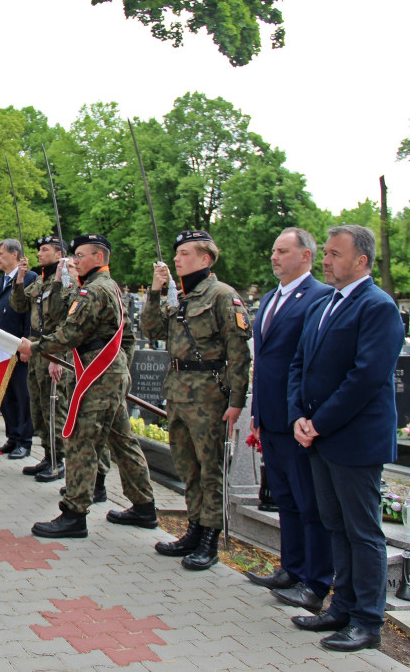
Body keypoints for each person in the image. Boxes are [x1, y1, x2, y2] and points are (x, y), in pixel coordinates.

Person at [286, 225, 403, 652]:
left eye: (336, 254)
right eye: (327, 253)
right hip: (318, 436)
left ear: (362, 262)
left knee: (362, 531)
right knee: (335, 524)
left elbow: (366, 377)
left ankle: (368, 622)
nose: (327, 261)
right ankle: (341, 606)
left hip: (353, 439)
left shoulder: (378, 307)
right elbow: (300, 363)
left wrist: (319, 423)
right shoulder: (324, 304)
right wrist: (299, 415)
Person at [18, 234, 156, 537]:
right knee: (122, 439)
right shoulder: (110, 287)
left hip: (98, 375)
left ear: (99, 258)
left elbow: (68, 334)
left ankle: (74, 514)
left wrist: (36, 347)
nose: (74, 261)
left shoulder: (93, 291)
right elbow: (127, 337)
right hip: (107, 371)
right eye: (74, 255)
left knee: (82, 440)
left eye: (80, 255)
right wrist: (119, 367)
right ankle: (145, 507)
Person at [142, 230, 251, 570]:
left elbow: (238, 352)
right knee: (187, 467)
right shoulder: (181, 298)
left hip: (208, 396)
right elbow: (151, 330)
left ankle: (210, 538)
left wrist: (236, 400)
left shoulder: (221, 295)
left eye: (185, 253)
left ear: (205, 259)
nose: (177, 259)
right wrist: (156, 290)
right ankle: (193, 528)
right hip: (178, 392)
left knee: (210, 469)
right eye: (177, 253)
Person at [244, 228, 334, 612]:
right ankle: (291, 569)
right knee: (285, 500)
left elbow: (310, 363)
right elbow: (264, 362)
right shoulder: (269, 298)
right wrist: (258, 414)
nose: (274, 257)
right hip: (272, 417)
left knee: (308, 502)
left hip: (298, 419)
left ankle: (316, 582)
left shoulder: (319, 297)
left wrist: (301, 415)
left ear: (306, 256)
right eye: (273, 250)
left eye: (282, 251)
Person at [10, 236, 70, 482]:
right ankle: (47, 454)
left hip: (53, 349)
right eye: (39, 249)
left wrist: (57, 355)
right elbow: (19, 305)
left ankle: (59, 461)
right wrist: (21, 278)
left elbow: (62, 315)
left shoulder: (66, 280)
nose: (39, 253)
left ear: (59, 254)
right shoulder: (40, 280)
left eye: (45, 250)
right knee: (38, 407)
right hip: (36, 349)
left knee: (53, 406)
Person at [0, 239, 37, 459]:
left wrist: (28, 344)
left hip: (19, 348)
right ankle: (13, 437)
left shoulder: (29, 278)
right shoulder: (0, 282)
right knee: (6, 397)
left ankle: (24, 442)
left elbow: (31, 314)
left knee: (21, 396)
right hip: (1, 349)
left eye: (0, 254)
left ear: (15, 255)